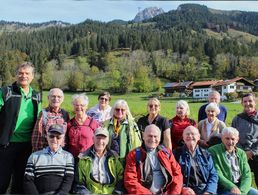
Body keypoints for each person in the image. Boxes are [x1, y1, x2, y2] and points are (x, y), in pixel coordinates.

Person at [0, 62, 41, 194]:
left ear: (32, 77)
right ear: (16, 75)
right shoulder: (6, 92)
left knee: (20, 180)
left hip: (27, 145)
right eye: (20, 73)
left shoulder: (36, 95)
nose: (23, 76)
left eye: (27, 73)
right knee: (2, 179)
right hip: (6, 144)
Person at [124, 124, 183, 194]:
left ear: (160, 138)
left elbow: (177, 174)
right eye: (150, 136)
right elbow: (130, 180)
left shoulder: (167, 153)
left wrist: (174, 193)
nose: (152, 139)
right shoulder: (134, 155)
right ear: (143, 136)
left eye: (155, 136)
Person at [24, 124, 74, 195]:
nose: (54, 139)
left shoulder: (68, 156)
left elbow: (69, 179)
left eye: (58, 137)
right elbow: (28, 180)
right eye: (51, 136)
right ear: (46, 137)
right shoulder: (34, 156)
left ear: (63, 139)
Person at [209, 127, 258, 195]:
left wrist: (242, 192)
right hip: (223, 188)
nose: (230, 142)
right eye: (227, 138)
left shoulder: (241, 153)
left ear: (237, 140)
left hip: (240, 186)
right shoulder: (213, 151)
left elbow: (246, 175)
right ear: (222, 138)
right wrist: (232, 187)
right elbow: (218, 173)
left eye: (233, 139)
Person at [76, 127, 124, 194]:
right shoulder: (83, 158)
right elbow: (79, 184)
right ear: (93, 139)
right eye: (98, 138)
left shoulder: (114, 158)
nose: (100, 141)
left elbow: (121, 180)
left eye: (103, 138)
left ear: (107, 141)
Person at [173, 126, 218, 195]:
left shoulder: (206, 154)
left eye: (193, 134)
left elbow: (213, 175)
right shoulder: (176, 154)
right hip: (185, 190)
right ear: (183, 137)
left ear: (198, 137)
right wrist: (183, 188)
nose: (190, 136)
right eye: (187, 134)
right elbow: (173, 175)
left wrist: (209, 191)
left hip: (204, 189)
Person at [232, 93, 258, 187]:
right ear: (242, 103)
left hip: (256, 153)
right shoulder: (237, 119)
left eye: (250, 101)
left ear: (254, 102)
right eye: (245, 101)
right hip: (241, 154)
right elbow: (233, 137)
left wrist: (253, 151)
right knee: (241, 181)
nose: (247, 103)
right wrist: (243, 152)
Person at [32, 88, 69, 152]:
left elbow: (67, 136)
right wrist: (38, 154)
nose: (56, 99)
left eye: (59, 97)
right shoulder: (43, 113)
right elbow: (37, 137)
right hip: (46, 152)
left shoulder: (65, 114)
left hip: (62, 153)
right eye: (53, 96)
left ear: (62, 99)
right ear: (48, 98)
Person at [105, 99, 142, 164]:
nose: (120, 111)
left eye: (123, 110)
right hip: (109, 160)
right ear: (113, 110)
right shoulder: (107, 124)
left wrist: (137, 160)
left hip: (126, 160)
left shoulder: (132, 125)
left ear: (126, 111)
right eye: (117, 109)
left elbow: (137, 144)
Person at [67, 93, 99, 159]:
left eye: (82, 105)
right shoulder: (69, 124)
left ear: (86, 107)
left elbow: (99, 140)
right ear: (73, 106)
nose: (79, 107)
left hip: (89, 158)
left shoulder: (93, 123)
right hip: (72, 159)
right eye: (76, 105)